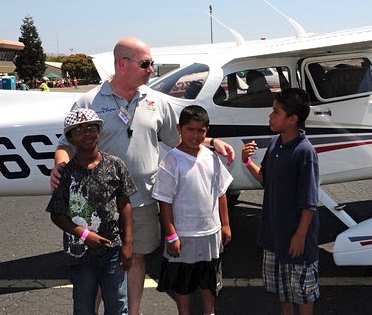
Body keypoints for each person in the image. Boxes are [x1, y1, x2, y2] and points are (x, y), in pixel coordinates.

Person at [50, 37, 235, 315]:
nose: (152, 70)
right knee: (99, 266)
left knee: (136, 260)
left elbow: (179, 138)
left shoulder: (155, 101)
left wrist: (213, 143)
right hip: (101, 206)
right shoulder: (89, 100)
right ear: (123, 64)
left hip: (144, 199)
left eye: (152, 64)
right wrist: (60, 162)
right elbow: (66, 144)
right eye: (146, 64)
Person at [46, 108, 135, 315]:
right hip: (80, 253)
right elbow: (57, 214)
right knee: (84, 306)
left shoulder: (116, 165)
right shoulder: (65, 172)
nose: (87, 134)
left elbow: (124, 204)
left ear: (99, 131)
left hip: (113, 249)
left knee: (118, 305)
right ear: (70, 138)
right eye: (79, 131)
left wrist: (128, 243)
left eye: (91, 128)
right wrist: (84, 235)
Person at [241, 88, 320, 315]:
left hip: (296, 238)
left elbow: (309, 201)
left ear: (293, 119)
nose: (270, 116)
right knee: (283, 290)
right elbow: (265, 178)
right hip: (274, 235)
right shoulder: (276, 143)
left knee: (303, 291)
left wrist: (300, 235)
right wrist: (247, 162)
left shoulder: (305, 152)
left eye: (276, 112)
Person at [152, 105, 233, 315]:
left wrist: (225, 225)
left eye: (201, 131)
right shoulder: (171, 161)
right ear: (179, 128)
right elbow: (164, 202)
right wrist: (171, 236)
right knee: (183, 282)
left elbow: (221, 192)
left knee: (209, 280)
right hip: (184, 235)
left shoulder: (211, 156)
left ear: (207, 131)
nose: (195, 135)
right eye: (190, 129)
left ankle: (210, 312)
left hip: (210, 234)